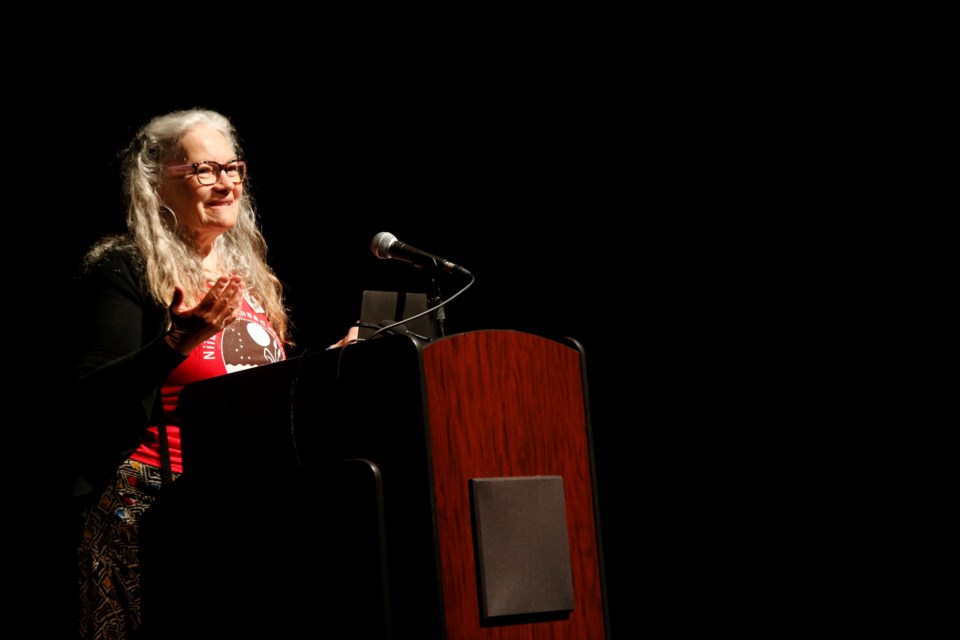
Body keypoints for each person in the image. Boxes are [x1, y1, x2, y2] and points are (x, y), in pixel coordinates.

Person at [69, 108, 354, 639]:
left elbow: (260, 389)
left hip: (246, 505)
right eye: (203, 170)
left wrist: (330, 365)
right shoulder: (127, 268)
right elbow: (88, 394)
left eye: (233, 169)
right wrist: (177, 340)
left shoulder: (249, 278)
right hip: (153, 508)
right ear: (156, 183)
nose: (225, 184)